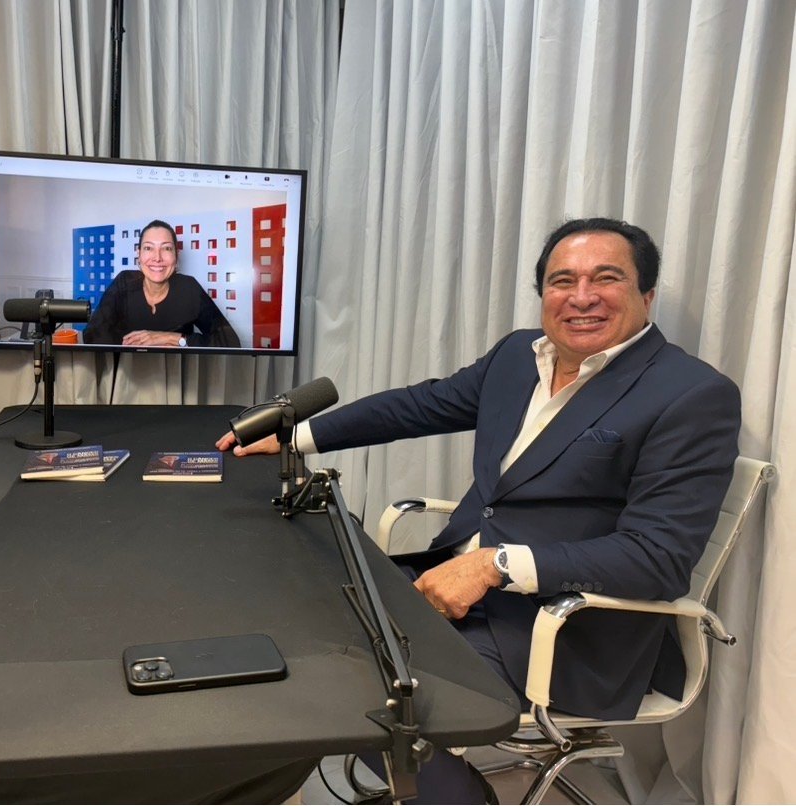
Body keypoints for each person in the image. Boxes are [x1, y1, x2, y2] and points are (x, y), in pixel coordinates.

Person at [217, 217, 741, 801]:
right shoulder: (520, 355)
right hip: (460, 589)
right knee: (298, 634)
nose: (582, 296)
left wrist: (495, 565)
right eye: (562, 280)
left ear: (647, 294)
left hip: (568, 630)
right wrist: (296, 436)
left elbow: (659, 559)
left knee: (360, 694)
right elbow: (419, 406)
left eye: (606, 278)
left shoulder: (690, 394)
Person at [82, 219, 242, 348]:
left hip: (176, 374)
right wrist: (134, 348)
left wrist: (171, 338)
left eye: (166, 248)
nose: (157, 258)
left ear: (176, 256)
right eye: (148, 248)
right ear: (139, 254)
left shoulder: (189, 288)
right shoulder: (124, 281)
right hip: (129, 373)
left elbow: (230, 342)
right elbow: (92, 334)